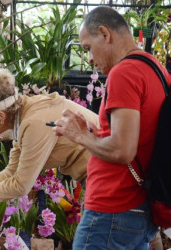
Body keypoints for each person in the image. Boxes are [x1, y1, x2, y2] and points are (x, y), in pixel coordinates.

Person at [52, 6, 167, 249]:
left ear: (105, 34)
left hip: (112, 209)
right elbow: (139, 137)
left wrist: (81, 136)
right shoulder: (156, 69)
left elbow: (122, 150)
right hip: (139, 209)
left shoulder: (124, 72)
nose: (90, 59)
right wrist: (95, 134)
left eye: (88, 48)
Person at [0, 68, 99, 203]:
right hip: (102, 178)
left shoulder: (34, 122)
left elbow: (21, 185)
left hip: (110, 180)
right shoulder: (23, 116)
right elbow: (12, 171)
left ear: (1, 116)